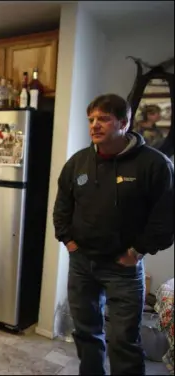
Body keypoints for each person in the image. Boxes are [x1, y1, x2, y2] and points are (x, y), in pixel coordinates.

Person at [53, 93, 174, 375]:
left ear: (124, 122)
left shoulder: (154, 165)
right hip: (82, 263)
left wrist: (137, 251)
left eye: (104, 119)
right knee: (86, 334)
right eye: (91, 119)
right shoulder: (78, 162)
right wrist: (68, 240)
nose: (95, 125)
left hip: (124, 268)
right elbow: (62, 207)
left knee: (123, 341)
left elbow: (165, 219)